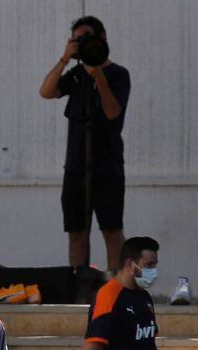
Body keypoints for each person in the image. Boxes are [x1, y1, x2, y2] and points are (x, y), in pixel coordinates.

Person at [39, 15, 130, 271]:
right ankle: (78, 289)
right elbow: (46, 92)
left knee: (112, 230)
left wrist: (99, 76)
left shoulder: (119, 74)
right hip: (76, 166)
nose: (83, 43)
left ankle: (114, 288)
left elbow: (113, 113)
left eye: (87, 37)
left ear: (102, 38)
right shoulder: (76, 74)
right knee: (76, 232)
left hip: (108, 166)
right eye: (77, 39)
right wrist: (65, 59)